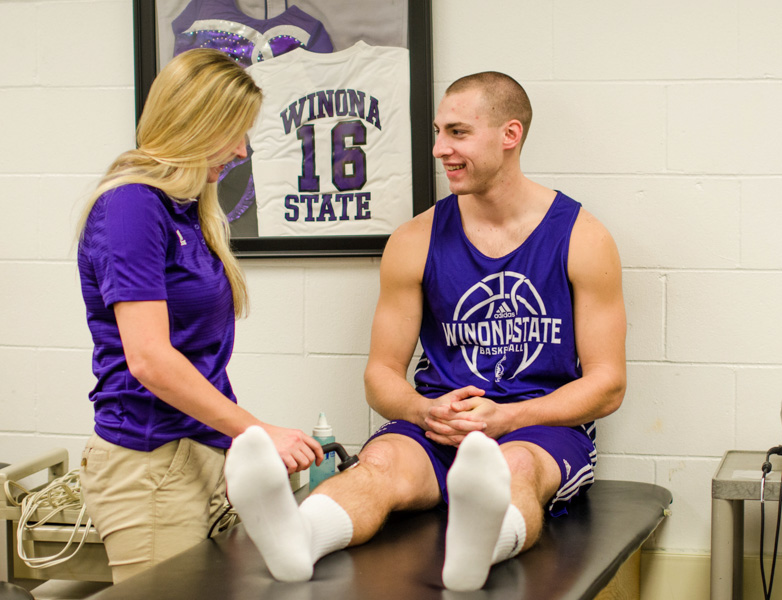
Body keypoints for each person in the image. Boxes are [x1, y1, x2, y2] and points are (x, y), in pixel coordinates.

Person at [224, 71, 627, 591]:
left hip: (537, 424)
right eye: (439, 132)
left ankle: (478, 549)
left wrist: (508, 417)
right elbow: (381, 375)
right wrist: (424, 411)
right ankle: (299, 538)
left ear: (510, 134)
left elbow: (608, 383)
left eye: (457, 133)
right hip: (440, 420)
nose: (439, 149)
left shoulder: (582, 237)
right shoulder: (415, 239)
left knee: (514, 468)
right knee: (379, 463)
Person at [76, 48, 324, 583]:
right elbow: (149, 359)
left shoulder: (186, 209)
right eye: (233, 132)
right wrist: (259, 433)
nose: (242, 150)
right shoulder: (132, 206)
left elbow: (194, 356)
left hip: (202, 450)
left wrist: (236, 445)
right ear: (192, 125)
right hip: (148, 462)